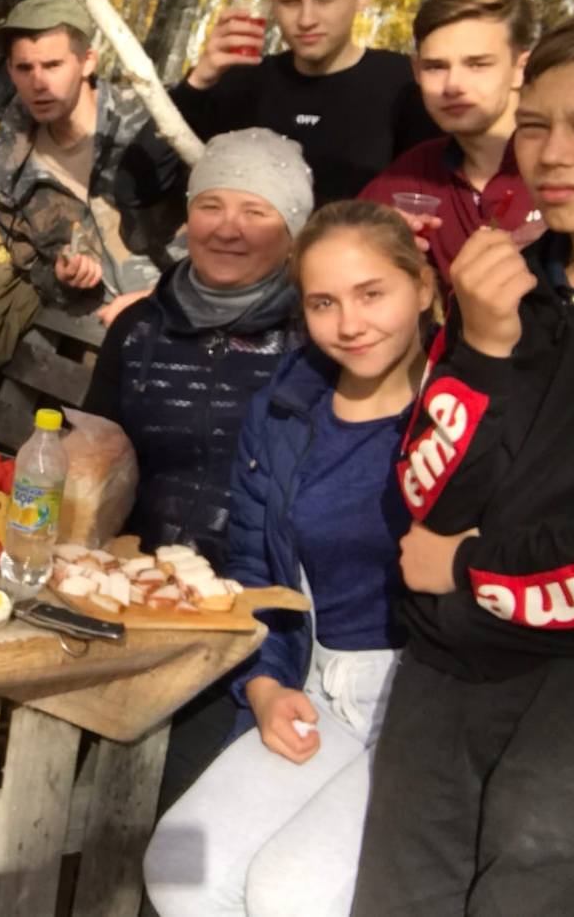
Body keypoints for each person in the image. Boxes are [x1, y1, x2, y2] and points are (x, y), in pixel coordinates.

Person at [352, 12, 574, 913]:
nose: (554, 153)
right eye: (534, 125)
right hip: (444, 667)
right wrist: (486, 350)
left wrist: (469, 566)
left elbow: (450, 546)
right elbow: (428, 490)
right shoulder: (503, 286)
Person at [144, 200, 436, 917]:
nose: (350, 323)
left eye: (372, 293)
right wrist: (267, 685)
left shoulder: (460, 408)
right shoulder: (286, 405)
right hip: (318, 679)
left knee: (290, 894)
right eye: (323, 302)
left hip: (424, 702)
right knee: (181, 865)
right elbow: (257, 566)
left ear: (424, 286)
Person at [83, 129, 310, 812]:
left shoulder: (314, 339)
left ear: (293, 231)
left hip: (252, 619)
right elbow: (93, 455)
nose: (227, 229)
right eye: (211, 205)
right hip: (133, 597)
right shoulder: (139, 329)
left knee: (178, 801)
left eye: (256, 211)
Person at [0, 0, 185, 422]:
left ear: (87, 62)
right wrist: (62, 276)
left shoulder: (151, 126)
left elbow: (231, 236)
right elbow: (26, 256)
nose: (38, 83)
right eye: (24, 68)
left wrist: (156, 299)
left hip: (179, 330)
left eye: (53, 65)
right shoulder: (12, 155)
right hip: (86, 336)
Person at [166, 0, 434, 203]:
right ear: (272, 4)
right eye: (290, 1)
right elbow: (142, 188)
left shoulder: (404, 86)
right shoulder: (243, 83)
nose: (306, 19)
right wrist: (197, 83)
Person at [360, 0, 543, 286]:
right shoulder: (411, 176)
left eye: (477, 64)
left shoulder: (568, 163)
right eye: (436, 67)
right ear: (416, 72)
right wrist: (373, 247)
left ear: (520, 69)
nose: (453, 85)